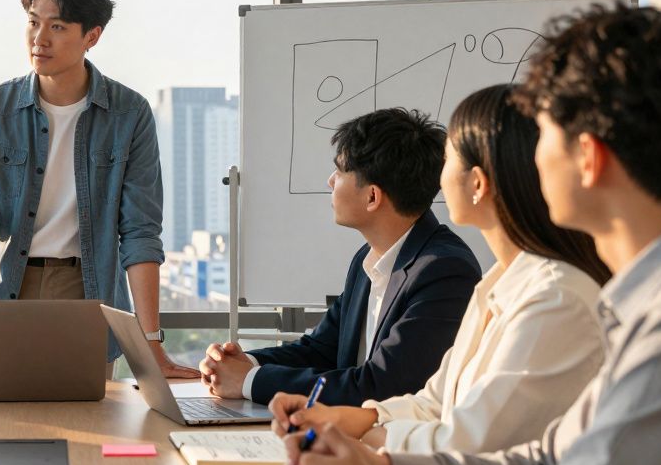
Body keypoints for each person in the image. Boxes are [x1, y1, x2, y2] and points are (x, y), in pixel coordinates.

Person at [282, 4, 661, 465]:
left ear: (588, 158)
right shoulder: (641, 305)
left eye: (541, 134)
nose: (529, 156)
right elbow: (544, 462)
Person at [268, 84, 610, 454]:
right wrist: (351, 419)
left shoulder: (555, 298)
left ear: (477, 183)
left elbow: (469, 442)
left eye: (449, 159)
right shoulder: (496, 283)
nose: (436, 176)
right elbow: (435, 401)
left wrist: (362, 436)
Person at [0, 0, 196, 376]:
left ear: (92, 36)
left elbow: (141, 234)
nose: (40, 39)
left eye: (57, 26)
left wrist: (151, 348)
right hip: (6, 291)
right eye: (33, 23)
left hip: (87, 292)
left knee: (88, 425)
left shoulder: (129, 115)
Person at [200, 108, 482, 406]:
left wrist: (248, 381)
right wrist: (244, 364)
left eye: (341, 171)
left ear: (372, 196)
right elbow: (322, 350)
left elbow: (383, 387)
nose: (331, 181)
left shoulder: (444, 271)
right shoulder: (368, 259)